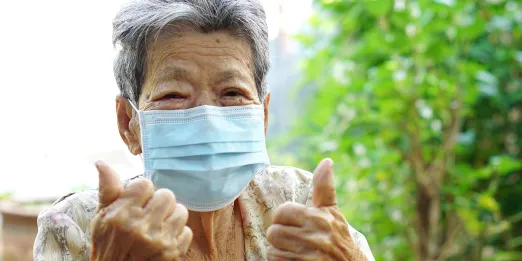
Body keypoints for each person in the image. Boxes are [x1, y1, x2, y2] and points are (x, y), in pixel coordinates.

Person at [33, 0, 375, 260]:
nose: (208, 117)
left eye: (232, 93)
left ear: (263, 116)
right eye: (174, 95)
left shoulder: (298, 202)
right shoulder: (80, 227)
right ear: (129, 124)